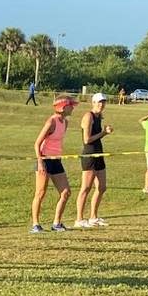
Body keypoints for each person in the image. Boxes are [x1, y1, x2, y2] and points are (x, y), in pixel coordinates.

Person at [30, 96, 77, 233]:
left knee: (66, 192)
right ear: (62, 107)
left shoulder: (65, 122)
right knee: (40, 193)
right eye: (70, 105)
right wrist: (40, 162)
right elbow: (37, 143)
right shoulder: (52, 122)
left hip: (56, 160)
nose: (72, 108)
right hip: (44, 159)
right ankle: (35, 225)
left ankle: (57, 223)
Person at [74, 93, 113, 228]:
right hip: (89, 155)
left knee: (101, 187)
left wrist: (104, 132)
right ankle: (79, 219)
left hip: (99, 154)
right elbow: (87, 140)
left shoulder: (99, 117)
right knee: (86, 188)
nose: (101, 104)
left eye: (103, 102)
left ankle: (93, 217)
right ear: (93, 102)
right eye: (99, 102)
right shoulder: (88, 116)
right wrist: (104, 133)